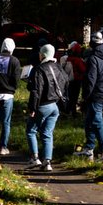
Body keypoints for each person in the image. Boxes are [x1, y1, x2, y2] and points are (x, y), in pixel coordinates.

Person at [26, 43, 69, 172]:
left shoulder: (39, 69)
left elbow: (36, 91)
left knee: (31, 130)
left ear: (42, 55)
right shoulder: (58, 67)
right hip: (55, 106)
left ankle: (35, 158)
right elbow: (66, 82)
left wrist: (32, 108)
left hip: (42, 105)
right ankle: (47, 161)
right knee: (47, 133)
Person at [79, 31, 103, 163]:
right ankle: (89, 149)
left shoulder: (93, 58)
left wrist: (85, 96)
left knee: (97, 121)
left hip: (95, 94)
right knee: (90, 119)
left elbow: (90, 80)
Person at [61, 40, 86, 115]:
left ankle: (67, 110)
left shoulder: (68, 58)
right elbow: (83, 70)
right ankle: (73, 111)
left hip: (68, 79)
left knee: (69, 95)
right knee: (75, 96)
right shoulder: (78, 60)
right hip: (76, 80)